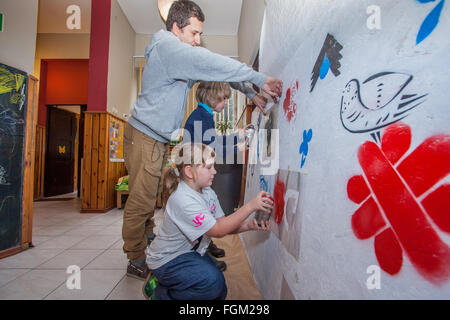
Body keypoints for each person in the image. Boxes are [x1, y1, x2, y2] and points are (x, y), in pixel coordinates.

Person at [122, 0, 282, 280]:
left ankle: (148, 242)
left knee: (154, 196)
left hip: (157, 138)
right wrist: (258, 78)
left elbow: (216, 72)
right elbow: (210, 62)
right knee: (141, 200)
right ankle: (135, 258)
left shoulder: (180, 54)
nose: (198, 40)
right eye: (194, 33)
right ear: (176, 27)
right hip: (144, 134)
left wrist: (249, 91)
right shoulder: (169, 49)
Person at [142, 143, 272, 300]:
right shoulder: (183, 199)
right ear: (189, 171)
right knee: (212, 283)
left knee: (220, 288)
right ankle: (161, 293)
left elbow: (222, 223)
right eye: (209, 167)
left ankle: (170, 284)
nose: (215, 172)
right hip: (167, 258)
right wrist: (251, 206)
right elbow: (217, 229)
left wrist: (248, 226)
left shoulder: (208, 191)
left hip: (190, 252)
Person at [183, 82, 259, 271]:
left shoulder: (205, 114)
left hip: (196, 170)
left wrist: (238, 135)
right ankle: (201, 253)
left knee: (205, 208)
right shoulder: (202, 116)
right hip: (192, 172)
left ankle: (206, 244)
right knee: (198, 213)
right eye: (223, 98)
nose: (226, 103)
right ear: (212, 97)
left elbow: (213, 140)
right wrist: (237, 148)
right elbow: (212, 148)